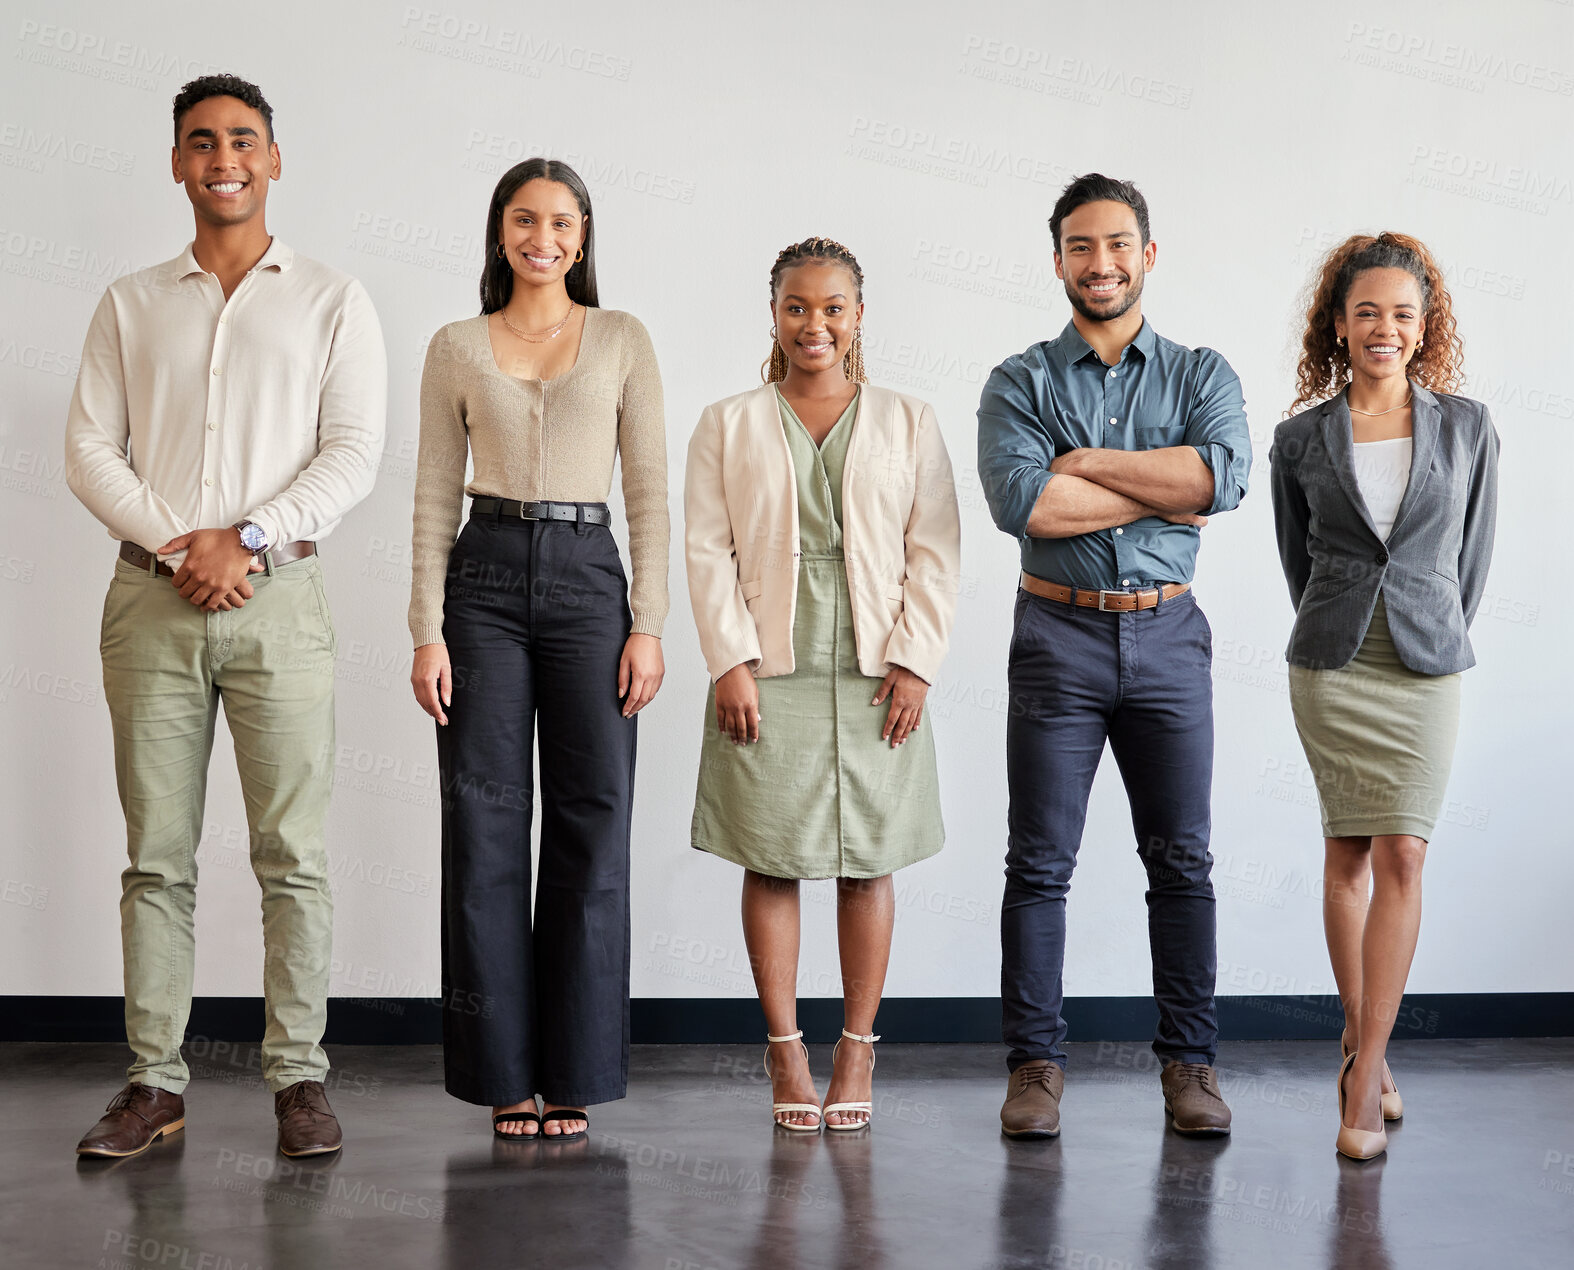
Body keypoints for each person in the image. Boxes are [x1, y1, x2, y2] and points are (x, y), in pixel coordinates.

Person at [65, 75, 387, 1159]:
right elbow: (89, 449)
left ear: (274, 158)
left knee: (290, 853)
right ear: (176, 163)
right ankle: (153, 1083)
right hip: (149, 605)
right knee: (156, 857)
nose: (223, 159)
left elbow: (352, 452)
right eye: (200, 143)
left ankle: (298, 1078)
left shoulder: (332, 299)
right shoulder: (129, 301)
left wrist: (243, 536)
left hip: (280, 601)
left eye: (242, 141)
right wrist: (179, 543)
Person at [976, 173, 1251, 1140]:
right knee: (1040, 865)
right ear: (1059, 260)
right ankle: (1035, 1070)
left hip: (1170, 633)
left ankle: (1190, 1069)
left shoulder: (1202, 372)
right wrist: (1163, 483)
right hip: (1057, 634)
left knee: (1182, 861)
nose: (1102, 263)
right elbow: (1027, 507)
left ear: (1148, 253)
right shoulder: (1019, 381)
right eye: (1082, 247)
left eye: (1119, 244)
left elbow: (1224, 478)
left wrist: (1085, 463)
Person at [408, 159, 667, 1141]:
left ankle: (576, 1070)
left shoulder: (621, 338)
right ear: (500, 230)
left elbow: (647, 489)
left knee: (592, 820)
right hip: (480, 582)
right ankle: (502, 1075)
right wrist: (424, 628)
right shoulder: (455, 346)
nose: (542, 237)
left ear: (583, 235)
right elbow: (434, 494)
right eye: (525, 219)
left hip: (588, 577)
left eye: (561, 221)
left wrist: (650, 623)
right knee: (482, 826)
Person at [685, 237, 961, 1131]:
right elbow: (704, 549)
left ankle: (855, 1049)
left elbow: (936, 549)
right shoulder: (727, 423)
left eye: (834, 306)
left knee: (866, 857)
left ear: (859, 315)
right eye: (798, 306)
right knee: (772, 855)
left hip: (879, 662)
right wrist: (729, 659)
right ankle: (784, 1056)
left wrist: (917, 660)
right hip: (771, 661)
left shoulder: (908, 420)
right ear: (774, 314)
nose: (816, 324)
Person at [1270, 232, 1498, 1160]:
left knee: (1405, 850)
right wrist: (1345, 625)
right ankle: (1366, 1043)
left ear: (1424, 325)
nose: (1385, 328)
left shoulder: (1469, 426)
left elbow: (1469, 561)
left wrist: (1429, 626)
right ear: (1338, 322)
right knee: (1348, 853)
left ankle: (1365, 1076)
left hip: (1425, 663)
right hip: (1331, 662)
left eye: (1403, 313)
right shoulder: (1299, 437)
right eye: (1367, 311)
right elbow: (1300, 562)